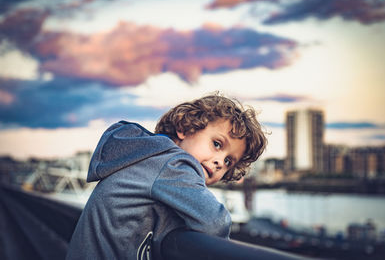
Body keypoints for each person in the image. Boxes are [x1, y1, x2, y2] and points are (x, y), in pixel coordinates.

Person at [66, 93, 267, 260]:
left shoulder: (146, 157)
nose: (220, 162)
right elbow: (215, 223)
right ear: (184, 128)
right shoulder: (173, 164)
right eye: (217, 144)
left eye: (229, 161)